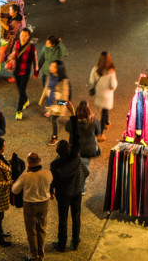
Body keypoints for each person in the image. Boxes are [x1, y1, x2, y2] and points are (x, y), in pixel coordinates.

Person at [51, 107, 88, 252]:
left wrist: (51, 191)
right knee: (76, 216)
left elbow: (53, 180)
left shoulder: (55, 164)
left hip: (63, 194)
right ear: (69, 149)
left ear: (58, 153)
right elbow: (76, 137)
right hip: (76, 190)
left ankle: (61, 244)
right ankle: (75, 242)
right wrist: (73, 115)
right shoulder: (75, 155)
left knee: (63, 220)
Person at [11, 152, 51, 261]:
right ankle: (41, 255)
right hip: (44, 204)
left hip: (30, 205)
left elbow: (14, 189)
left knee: (31, 231)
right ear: (40, 160)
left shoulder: (25, 177)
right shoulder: (47, 173)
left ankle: (34, 256)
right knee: (42, 229)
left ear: (28, 163)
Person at [10, 29, 38, 120]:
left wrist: (36, 72)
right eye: (22, 35)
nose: (23, 37)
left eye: (25, 36)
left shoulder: (31, 47)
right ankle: (26, 100)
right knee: (20, 89)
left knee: (21, 89)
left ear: (28, 36)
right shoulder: (16, 43)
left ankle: (19, 110)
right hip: (16, 71)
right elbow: (11, 54)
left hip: (25, 72)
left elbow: (35, 60)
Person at [88, 52, 117, 136]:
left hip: (99, 93)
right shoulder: (111, 71)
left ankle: (107, 122)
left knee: (105, 110)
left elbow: (91, 80)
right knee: (104, 111)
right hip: (107, 95)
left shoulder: (95, 69)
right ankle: (100, 132)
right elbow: (113, 85)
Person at [43, 61, 71, 145]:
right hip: (51, 102)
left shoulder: (63, 80)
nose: (51, 68)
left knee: (54, 119)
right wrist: (43, 101)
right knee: (53, 118)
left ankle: (55, 137)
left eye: (54, 67)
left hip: (58, 104)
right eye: (51, 66)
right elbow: (46, 88)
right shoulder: (50, 76)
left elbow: (65, 95)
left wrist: (61, 107)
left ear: (59, 69)